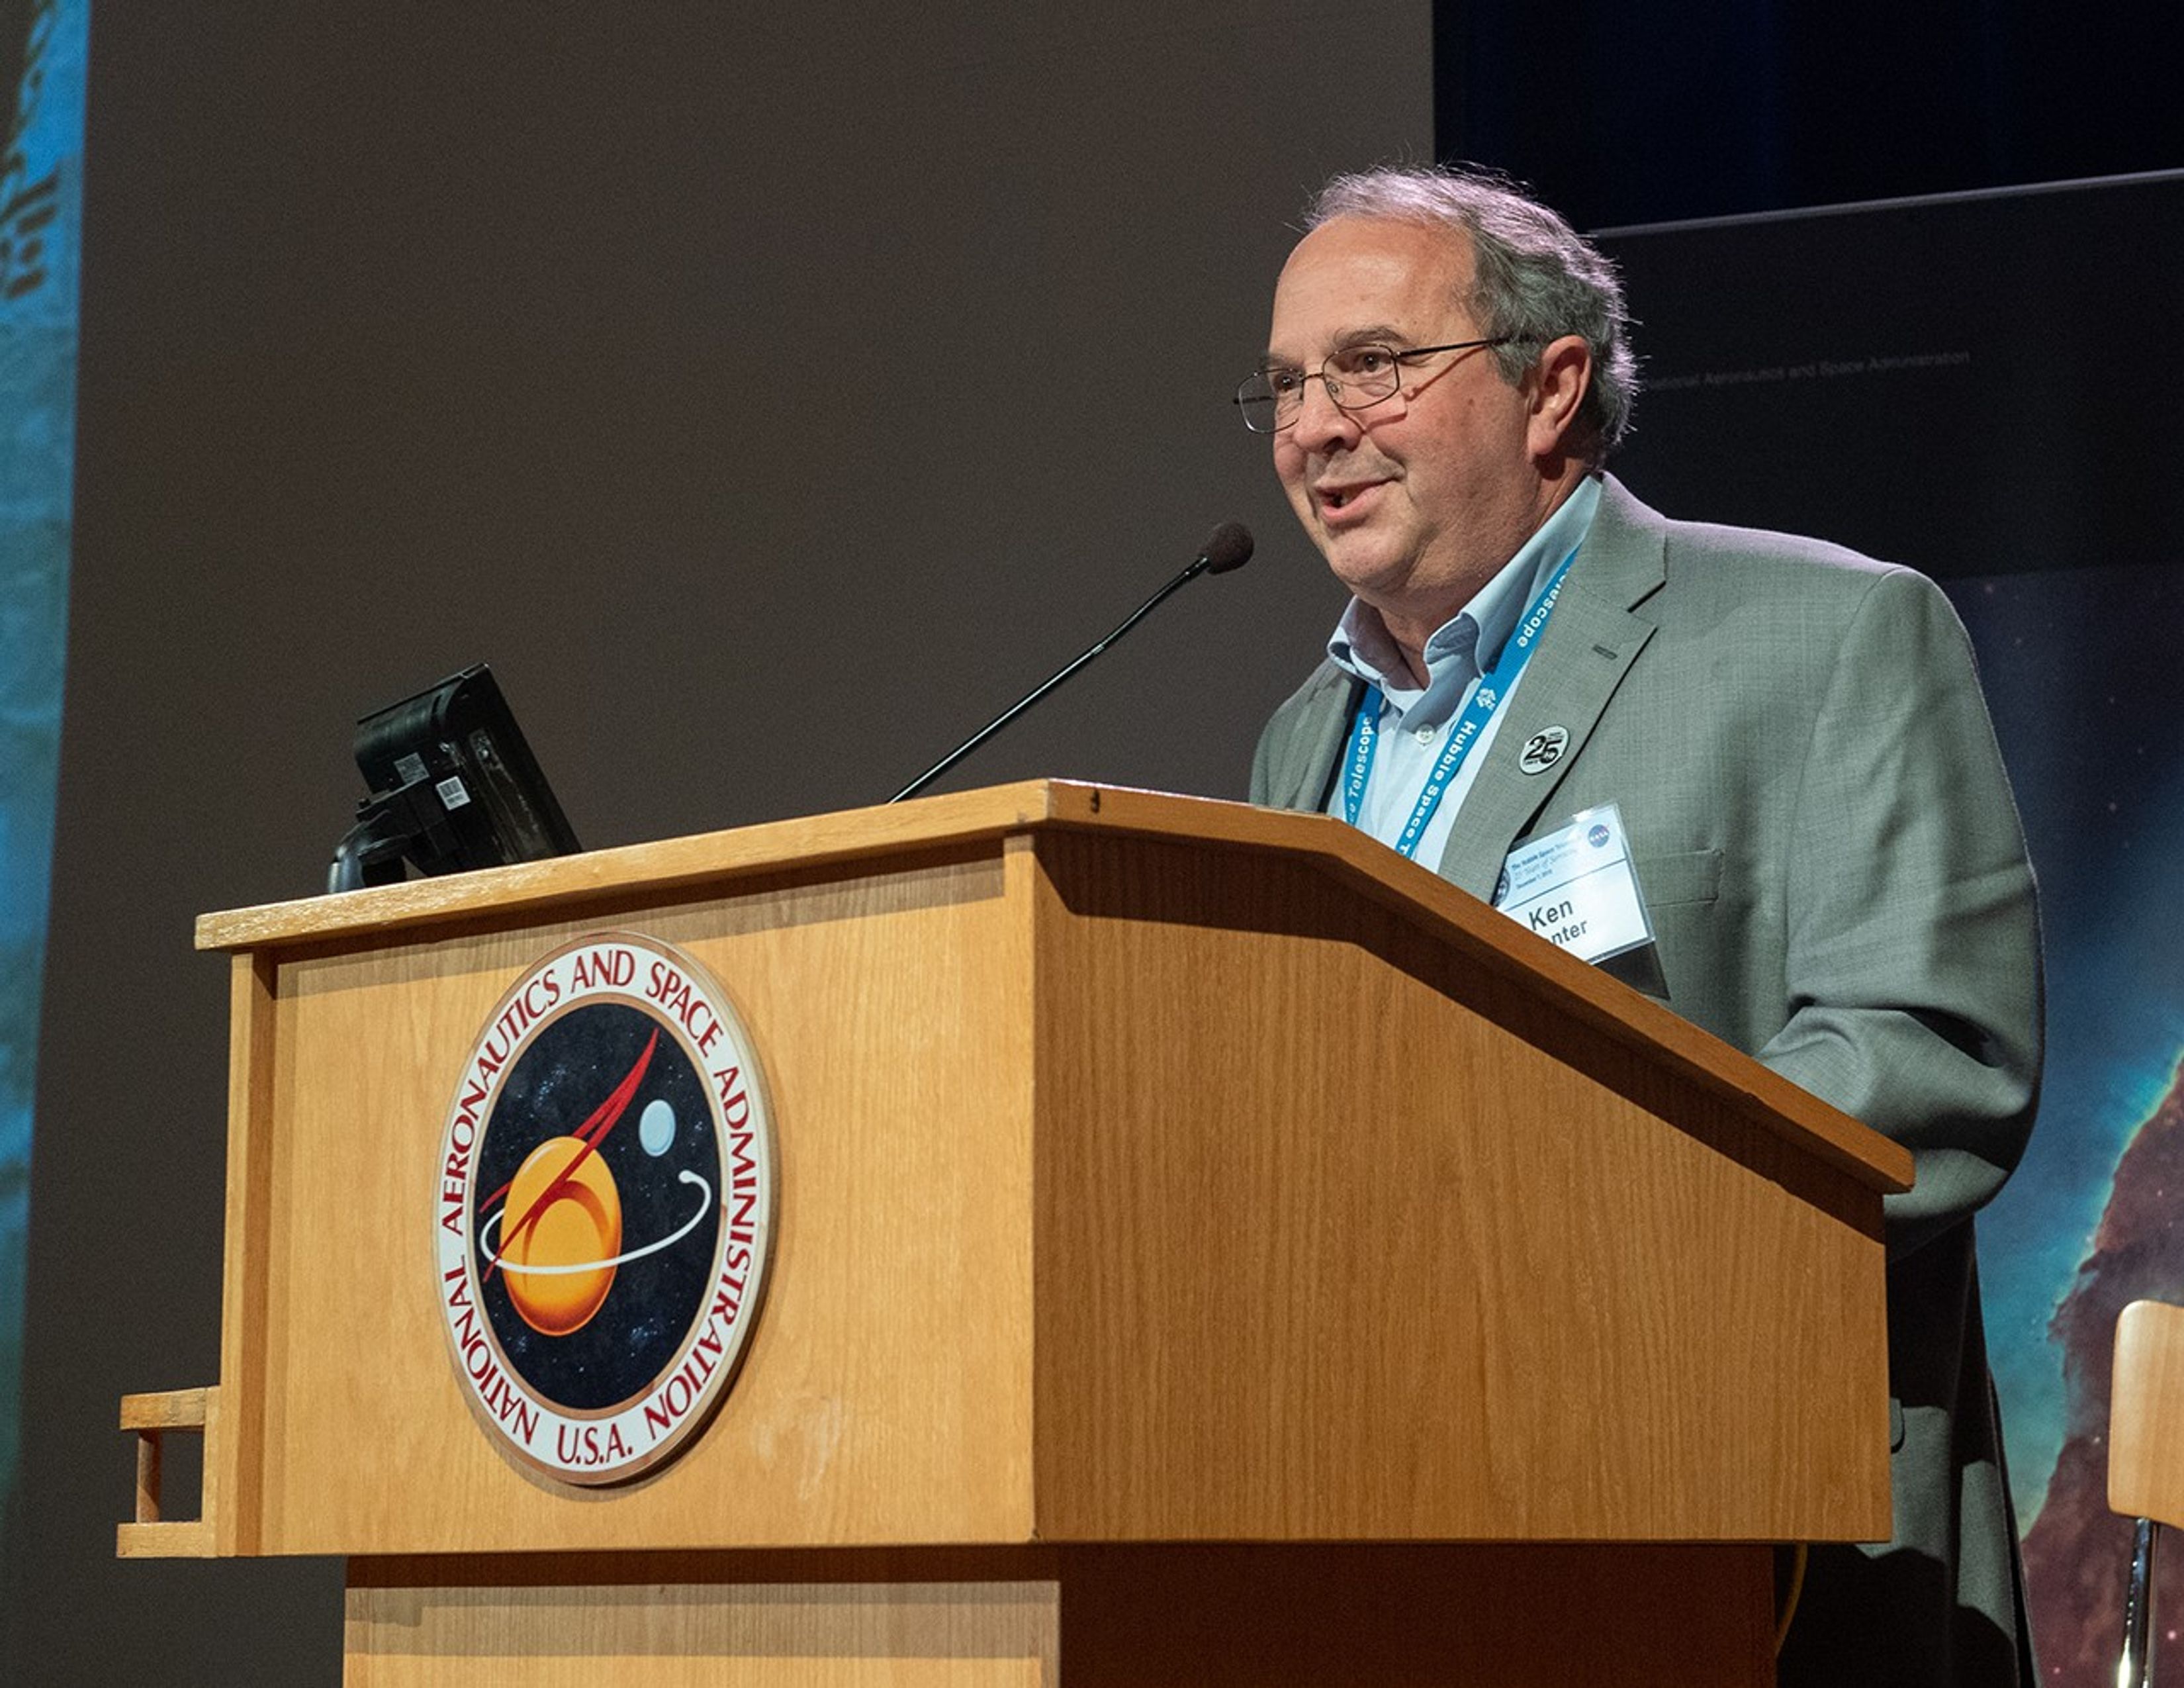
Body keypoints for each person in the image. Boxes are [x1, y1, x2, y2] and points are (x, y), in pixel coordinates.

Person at [1243, 164, 2042, 1687]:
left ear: (1550, 389)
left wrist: (1530, 1226)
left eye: (1372, 365)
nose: (1314, 428)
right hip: (1376, 1528)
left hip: (1754, 1538)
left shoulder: (1827, 635)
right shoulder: (1306, 739)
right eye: (1284, 386)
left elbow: (1932, 1063)